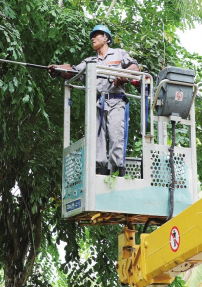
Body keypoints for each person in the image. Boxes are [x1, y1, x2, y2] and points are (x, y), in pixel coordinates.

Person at [48, 25, 140, 176]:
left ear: (106, 38)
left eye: (96, 35)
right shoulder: (90, 61)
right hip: (97, 103)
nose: (92, 38)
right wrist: (57, 69)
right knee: (97, 142)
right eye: (92, 36)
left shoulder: (118, 53)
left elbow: (135, 68)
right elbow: (73, 71)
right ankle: (100, 175)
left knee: (116, 138)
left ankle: (118, 176)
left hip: (116, 101)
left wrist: (123, 75)